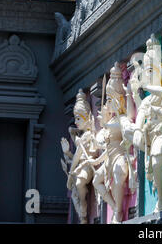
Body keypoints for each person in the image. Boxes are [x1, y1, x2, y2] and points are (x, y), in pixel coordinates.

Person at [124, 35, 162, 212]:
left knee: (157, 160)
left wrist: (146, 86)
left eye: (151, 72)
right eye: (146, 72)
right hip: (151, 135)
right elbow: (141, 114)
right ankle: (161, 196)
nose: (147, 77)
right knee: (131, 132)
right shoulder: (148, 101)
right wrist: (134, 95)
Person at [76, 63, 134, 223]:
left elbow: (127, 120)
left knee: (119, 174)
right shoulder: (109, 121)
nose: (109, 103)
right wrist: (93, 159)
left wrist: (128, 93)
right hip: (108, 158)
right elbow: (102, 146)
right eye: (108, 99)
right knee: (96, 181)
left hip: (120, 155)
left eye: (112, 99)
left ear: (119, 100)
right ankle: (115, 206)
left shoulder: (120, 119)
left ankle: (118, 211)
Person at [62, 89, 98, 224]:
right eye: (75, 118)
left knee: (79, 182)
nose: (76, 122)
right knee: (75, 187)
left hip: (87, 165)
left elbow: (79, 155)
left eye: (79, 118)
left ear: (87, 117)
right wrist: (67, 153)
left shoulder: (87, 135)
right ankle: (82, 211)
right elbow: (76, 156)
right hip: (81, 165)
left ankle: (83, 207)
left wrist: (72, 171)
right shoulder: (80, 137)